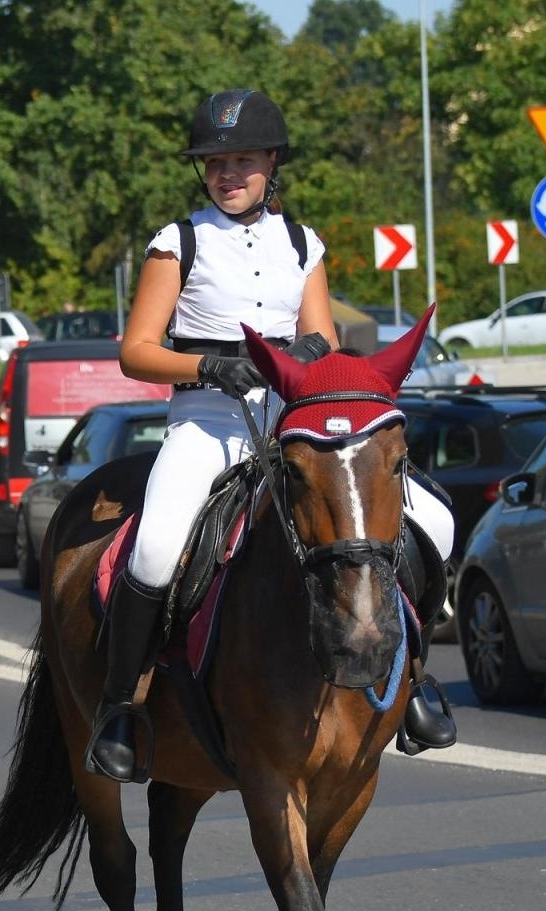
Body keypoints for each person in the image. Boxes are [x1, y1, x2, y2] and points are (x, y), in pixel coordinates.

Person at [88, 89, 457, 782]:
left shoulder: (301, 243)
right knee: (159, 545)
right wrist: (208, 364)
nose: (228, 174)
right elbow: (136, 350)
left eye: (243, 161)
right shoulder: (180, 242)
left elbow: (322, 335)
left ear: (271, 164)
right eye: (216, 163)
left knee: (428, 520)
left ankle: (414, 684)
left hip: (293, 425)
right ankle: (119, 708)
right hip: (208, 422)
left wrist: (311, 356)